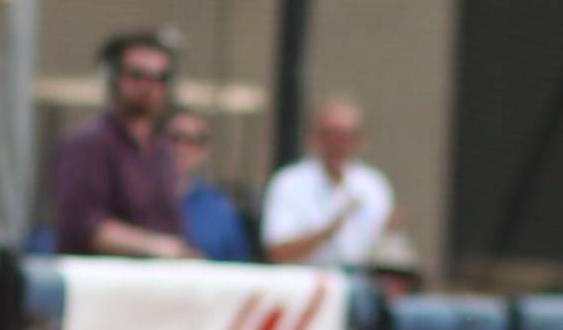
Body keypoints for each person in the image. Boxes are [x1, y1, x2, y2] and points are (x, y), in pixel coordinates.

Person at [50, 33, 190, 259]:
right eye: (137, 75)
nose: (148, 85)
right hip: (100, 284)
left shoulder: (161, 149)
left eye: (160, 77)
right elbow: (84, 225)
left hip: (155, 285)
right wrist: (156, 246)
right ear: (114, 78)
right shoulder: (88, 144)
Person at [260, 98, 395, 269]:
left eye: (347, 137)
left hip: (362, 281)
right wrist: (329, 230)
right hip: (304, 283)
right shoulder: (289, 182)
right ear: (314, 137)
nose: (338, 144)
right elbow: (277, 252)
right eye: (330, 135)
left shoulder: (374, 184)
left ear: (360, 141)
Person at [165, 107, 252, 264]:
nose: (183, 148)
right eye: (176, 138)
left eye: (195, 141)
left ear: (205, 151)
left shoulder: (222, 210)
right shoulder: (132, 196)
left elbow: (238, 271)